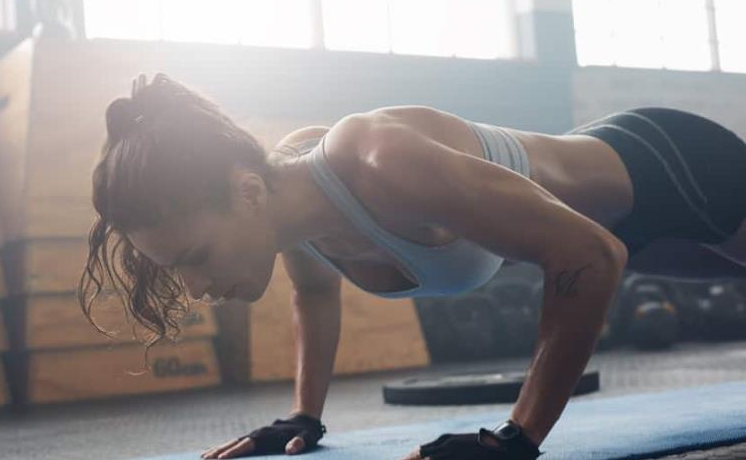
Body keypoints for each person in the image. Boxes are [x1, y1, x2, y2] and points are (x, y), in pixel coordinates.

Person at [79, 73, 746, 460]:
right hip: (636, 237)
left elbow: (590, 253)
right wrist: (303, 419)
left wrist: (515, 441)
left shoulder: (374, 161)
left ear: (247, 191)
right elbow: (313, 298)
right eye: (176, 271)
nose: (194, 289)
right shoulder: (287, 214)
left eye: (194, 259)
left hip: (671, 169)